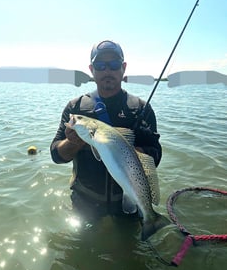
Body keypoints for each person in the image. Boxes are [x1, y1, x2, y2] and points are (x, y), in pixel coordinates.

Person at [50, 40, 162, 219]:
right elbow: (56, 156)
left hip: (129, 199)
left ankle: (152, 220)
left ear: (123, 68)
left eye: (114, 64)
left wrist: (127, 152)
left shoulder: (141, 109)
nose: (107, 71)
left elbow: (156, 154)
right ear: (91, 69)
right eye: (100, 65)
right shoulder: (75, 108)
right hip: (85, 202)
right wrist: (72, 143)